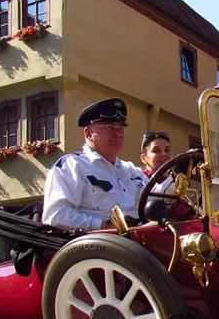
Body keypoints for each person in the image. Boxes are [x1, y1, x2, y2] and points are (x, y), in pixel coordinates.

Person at [42, 97, 147, 230]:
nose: (117, 134)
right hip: (102, 245)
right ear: (88, 133)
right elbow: (55, 216)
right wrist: (104, 225)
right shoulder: (72, 165)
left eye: (120, 128)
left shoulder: (131, 170)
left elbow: (158, 198)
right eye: (109, 127)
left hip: (141, 238)